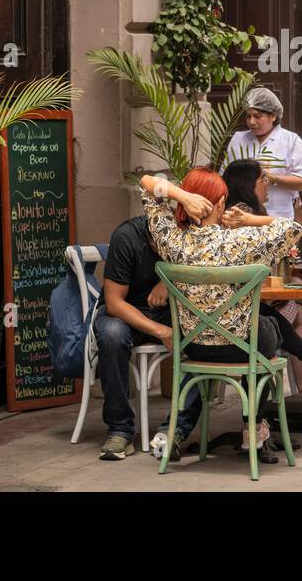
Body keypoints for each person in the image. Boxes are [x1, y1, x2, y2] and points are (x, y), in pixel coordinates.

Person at [138, 169, 302, 458]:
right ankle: (253, 426)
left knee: (262, 327)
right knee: (269, 328)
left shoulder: (173, 241)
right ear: (220, 204)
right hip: (240, 348)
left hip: (194, 346)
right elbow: (292, 229)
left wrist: (181, 195)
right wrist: (248, 220)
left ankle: (244, 426)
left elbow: (146, 184)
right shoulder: (239, 242)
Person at [93, 181, 214, 461]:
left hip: (171, 311)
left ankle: (174, 431)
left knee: (208, 336)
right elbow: (114, 303)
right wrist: (161, 331)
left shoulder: (189, 234)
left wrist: (167, 277)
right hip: (126, 312)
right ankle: (120, 431)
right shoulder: (127, 237)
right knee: (111, 335)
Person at [220, 159, 302, 379]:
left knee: (284, 314)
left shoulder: (239, 213)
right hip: (237, 314)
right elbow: (280, 236)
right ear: (247, 184)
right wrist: (297, 221)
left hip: (232, 310)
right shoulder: (240, 215)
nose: (268, 184)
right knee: (284, 317)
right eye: (263, 179)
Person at [225, 88, 302, 221]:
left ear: (273, 116)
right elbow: (225, 176)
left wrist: (272, 178)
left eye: (258, 116)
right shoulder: (238, 139)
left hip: (280, 215)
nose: (251, 122)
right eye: (248, 116)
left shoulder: (291, 141)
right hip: (241, 216)